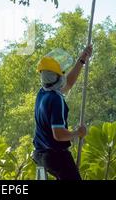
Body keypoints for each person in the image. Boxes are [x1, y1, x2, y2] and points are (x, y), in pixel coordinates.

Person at [32, 45, 93, 180]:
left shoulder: (42, 93)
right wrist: (78, 133)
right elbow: (58, 135)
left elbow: (69, 83)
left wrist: (81, 60)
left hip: (40, 154)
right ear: (58, 78)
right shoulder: (56, 100)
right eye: (61, 74)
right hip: (55, 156)